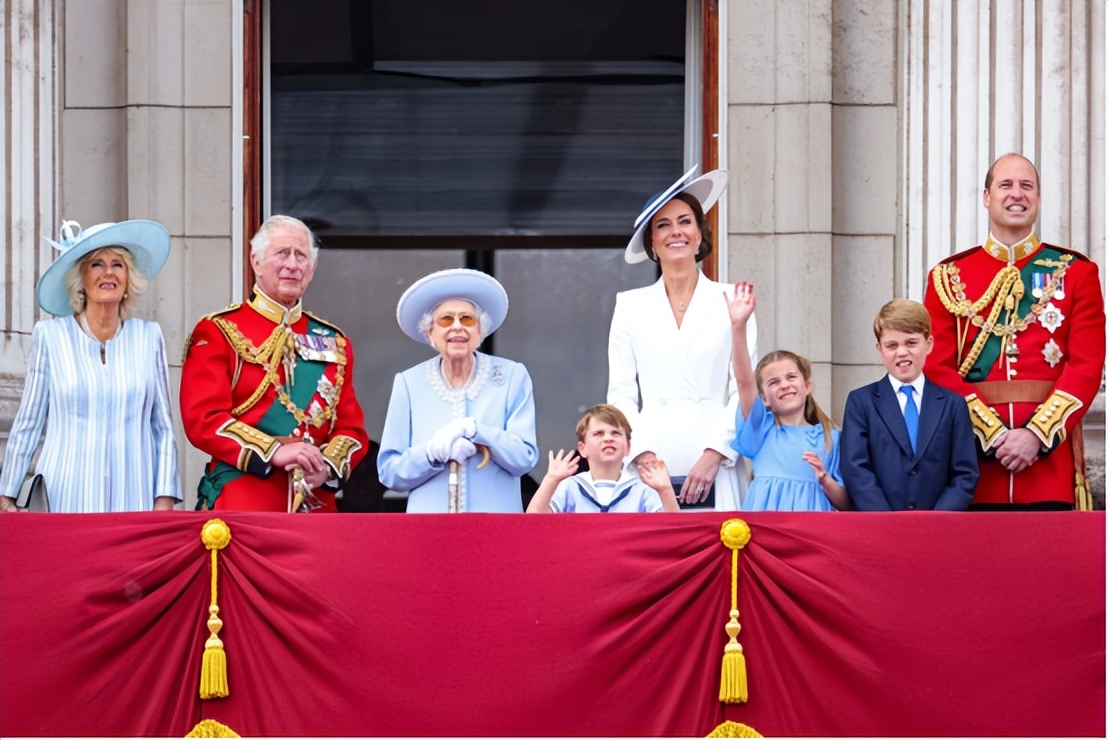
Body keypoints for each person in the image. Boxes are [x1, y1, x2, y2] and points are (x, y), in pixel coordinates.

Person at [923, 153, 1106, 511]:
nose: (1016, 194)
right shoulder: (948, 277)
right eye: (1005, 185)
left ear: (1038, 198)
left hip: (1048, 469)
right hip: (973, 469)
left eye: (1027, 186)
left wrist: (1036, 436)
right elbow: (935, 366)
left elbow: (1086, 366)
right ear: (987, 197)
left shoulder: (1077, 273)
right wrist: (992, 435)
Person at [180, 215, 368, 512]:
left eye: (301, 255)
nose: (292, 265)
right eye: (282, 253)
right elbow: (204, 419)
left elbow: (351, 429)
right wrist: (274, 451)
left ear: (312, 268)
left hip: (315, 506)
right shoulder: (219, 330)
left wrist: (327, 468)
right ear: (256, 261)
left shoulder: (334, 341)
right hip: (243, 501)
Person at [0, 219, 182, 512]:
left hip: (134, 498)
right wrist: (6, 494)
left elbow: (162, 428)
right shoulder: (51, 336)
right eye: (97, 264)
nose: (108, 272)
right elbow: (28, 422)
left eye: (118, 264)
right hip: (66, 497)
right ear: (81, 280)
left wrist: (164, 500)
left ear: (127, 281)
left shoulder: (149, 338)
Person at [608, 166, 757, 511]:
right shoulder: (629, 306)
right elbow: (621, 394)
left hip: (715, 457)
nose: (676, 232)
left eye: (684, 221)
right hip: (652, 459)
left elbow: (743, 389)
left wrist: (715, 453)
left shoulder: (733, 299)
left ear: (700, 234)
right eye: (663, 225)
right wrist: (643, 452)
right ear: (652, 244)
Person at [378, 268, 538, 512]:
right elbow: (390, 473)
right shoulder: (409, 383)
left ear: (480, 331)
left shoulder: (512, 376)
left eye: (467, 319)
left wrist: (477, 431)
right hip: (429, 528)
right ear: (430, 331)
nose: (457, 327)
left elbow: (523, 458)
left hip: (496, 525)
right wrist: (430, 454)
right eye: (445, 320)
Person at [840, 299, 979, 511]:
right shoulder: (861, 402)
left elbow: (965, 473)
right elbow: (856, 468)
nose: (902, 352)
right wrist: (887, 521)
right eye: (892, 345)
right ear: (879, 349)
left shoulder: (953, 405)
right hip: (880, 527)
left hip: (937, 528)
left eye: (911, 343)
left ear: (929, 344)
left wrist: (936, 520)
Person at [724, 282, 848, 511]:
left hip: (812, 532)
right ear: (764, 398)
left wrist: (825, 480)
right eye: (774, 382)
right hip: (767, 532)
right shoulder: (760, 430)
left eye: (791, 377)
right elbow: (744, 381)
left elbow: (846, 501)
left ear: (807, 385)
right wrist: (738, 327)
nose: (784, 385)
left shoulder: (832, 437)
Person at [526, 404, 680, 513]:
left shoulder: (642, 490)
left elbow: (672, 532)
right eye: (598, 434)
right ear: (582, 448)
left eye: (615, 433)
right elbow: (533, 522)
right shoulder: (570, 487)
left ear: (627, 447)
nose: (608, 438)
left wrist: (665, 490)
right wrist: (551, 479)